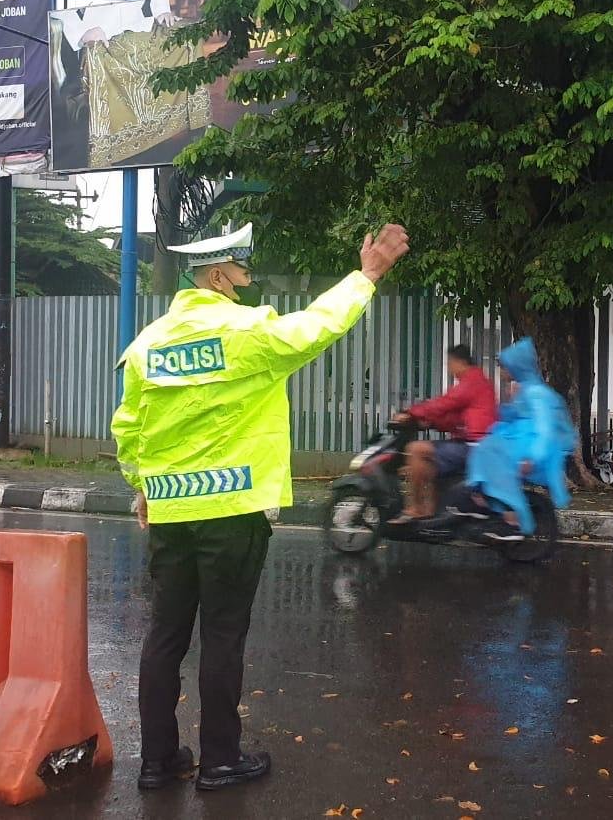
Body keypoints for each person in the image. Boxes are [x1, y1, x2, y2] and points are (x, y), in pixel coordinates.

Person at [113, 221, 409, 793]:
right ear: (217, 277)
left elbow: (129, 427)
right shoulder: (245, 332)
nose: (247, 280)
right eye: (241, 271)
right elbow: (317, 326)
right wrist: (367, 275)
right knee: (223, 635)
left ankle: (157, 760)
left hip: (171, 513)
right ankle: (220, 760)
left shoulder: (149, 343)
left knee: (165, 635)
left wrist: (143, 487)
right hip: (230, 510)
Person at [462, 339, 576, 542]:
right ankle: (486, 506)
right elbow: (510, 416)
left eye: (504, 367)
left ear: (516, 367)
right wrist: (511, 401)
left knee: (491, 452)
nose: (502, 371)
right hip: (520, 439)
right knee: (486, 447)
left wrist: (531, 457)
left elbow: (544, 427)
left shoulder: (536, 393)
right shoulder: (525, 389)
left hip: (534, 447)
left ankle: (512, 521)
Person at [390, 344, 497, 522]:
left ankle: (416, 509)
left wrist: (410, 413)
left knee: (415, 449)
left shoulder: (472, 381)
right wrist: (431, 422)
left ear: (459, 362)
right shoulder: (477, 381)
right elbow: (455, 418)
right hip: (474, 443)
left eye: (449, 363)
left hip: (474, 445)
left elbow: (443, 403)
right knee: (426, 461)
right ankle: (431, 514)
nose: (449, 368)